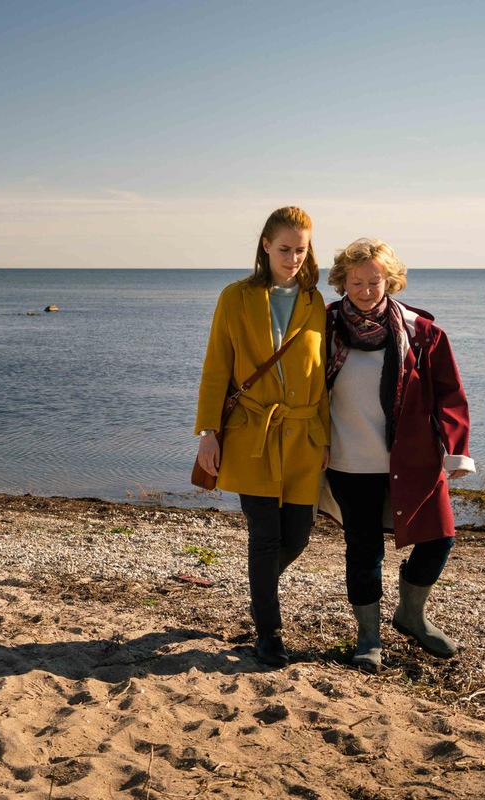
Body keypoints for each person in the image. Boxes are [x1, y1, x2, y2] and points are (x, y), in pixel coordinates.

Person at [320, 238, 474, 669]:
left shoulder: (422, 333)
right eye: (356, 281)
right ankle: (368, 636)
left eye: (375, 280)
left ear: (391, 280)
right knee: (364, 549)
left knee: (439, 537)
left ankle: (411, 615)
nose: (367, 289)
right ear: (341, 282)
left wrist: (455, 450)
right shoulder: (323, 328)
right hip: (348, 461)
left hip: (412, 459)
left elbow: (450, 395)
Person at [195, 206, 329, 668]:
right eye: (285, 249)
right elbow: (216, 367)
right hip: (250, 434)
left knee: (299, 536)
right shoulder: (235, 297)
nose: (293, 258)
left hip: (303, 439)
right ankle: (268, 633)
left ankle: (258, 597)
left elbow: (324, 378)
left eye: (302, 250)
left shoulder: (317, 304)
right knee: (265, 538)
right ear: (266, 247)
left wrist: (325, 437)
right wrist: (208, 433)